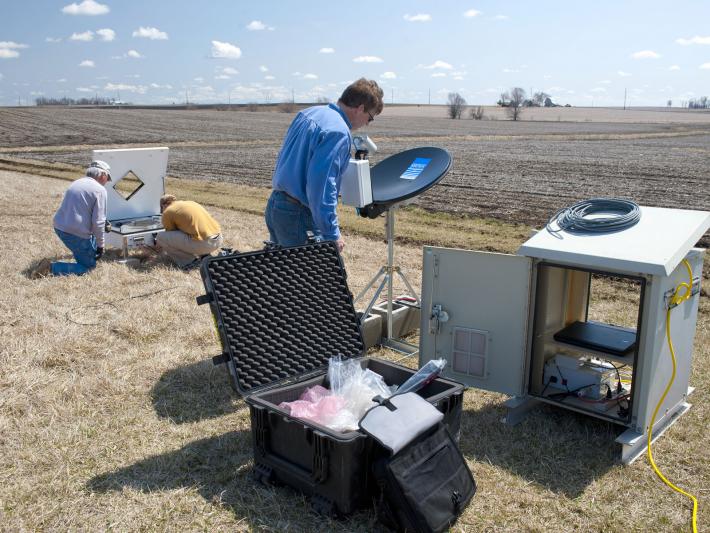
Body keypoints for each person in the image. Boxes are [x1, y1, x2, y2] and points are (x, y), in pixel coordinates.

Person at [265, 78, 384, 252]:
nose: (367, 123)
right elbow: (322, 187)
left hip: (277, 206)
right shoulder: (338, 132)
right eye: (370, 118)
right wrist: (332, 234)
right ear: (360, 108)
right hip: (299, 216)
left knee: (285, 276)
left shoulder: (308, 113)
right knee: (312, 278)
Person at [32, 160, 111, 278]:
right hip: (76, 232)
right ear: (102, 175)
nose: (107, 181)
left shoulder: (77, 182)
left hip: (60, 226)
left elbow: (81, 208)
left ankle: (85, 253)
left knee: (87, 250)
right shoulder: (100, 190)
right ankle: (50, 268)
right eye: (108, 177)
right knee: (88, 268)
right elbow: (98, 222)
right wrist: (101, 246)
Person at [156, 194, 223, 269]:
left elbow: (170, 233)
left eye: (162, 209)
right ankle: (204, 255)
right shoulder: (190, 203)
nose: (162, 212)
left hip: (204, 244)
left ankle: (189, 262)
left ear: (163, 205)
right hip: (218, 240)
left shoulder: (168, 212)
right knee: (193, 230)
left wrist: (156, 246)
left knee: (161, 237)